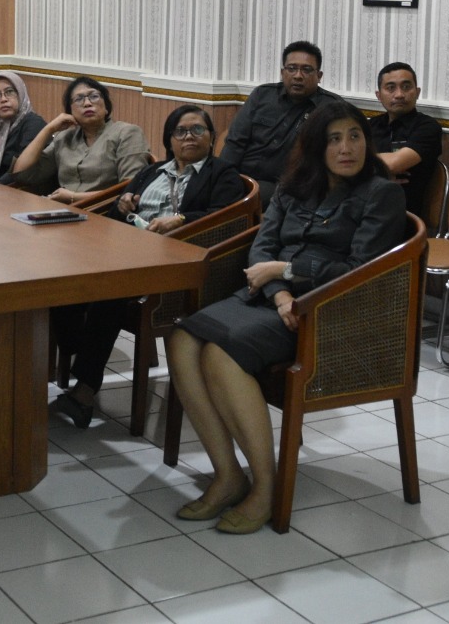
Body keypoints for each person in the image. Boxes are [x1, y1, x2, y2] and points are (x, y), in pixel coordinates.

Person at [169, 100, 405, 532]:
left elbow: (360, 270)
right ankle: (227, 476)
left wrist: (287, 273)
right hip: (274, 301)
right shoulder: (296, 186)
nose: (346, 148)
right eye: (334, 139)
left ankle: (266, 485)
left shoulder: (381, 193)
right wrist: (278, 290)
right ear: (317, 147)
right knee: (183, 340)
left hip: (325, 311)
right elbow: (262, 247)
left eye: (354, 136)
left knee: (221, 355)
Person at [50, 104, 245, 427]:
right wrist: (122, 203)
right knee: (62, 273)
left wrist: (180, 220)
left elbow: (225, 215)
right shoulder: (153, 171)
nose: (190, 137)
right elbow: (120, 212)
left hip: (175, 263)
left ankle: (84, 391)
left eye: (198, 130)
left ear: (211, 138)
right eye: (181, 131)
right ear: (170, 140)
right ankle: (78, 352)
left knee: (111, 292)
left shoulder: (221, 173)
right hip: (127, 251)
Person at [220, 40, 340, 204]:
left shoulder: (331, 108)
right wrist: (224, 179)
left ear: (319, 76)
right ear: (283, 72)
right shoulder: (262, 96)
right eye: (292, 68)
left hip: (289, 189)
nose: (298, 75)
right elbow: (235, 142)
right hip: (242, 179)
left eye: (306, 70)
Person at [9, 75, 149, 203]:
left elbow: (130, 190)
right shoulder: (63, 138)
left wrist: (73, 197)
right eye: (79, 99)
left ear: (106, 107)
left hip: (103, 214)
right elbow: (21, 173)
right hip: (62, 212)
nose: (87, 103)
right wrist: (49, 129)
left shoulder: (127, 133)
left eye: (94, 96)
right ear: (70, 111)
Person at [369, 62, 443, 216]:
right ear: (378, 95)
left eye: (406, 87)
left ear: (417, 92)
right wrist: (374, 175)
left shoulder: (427, 127)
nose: (399, 95)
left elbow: (394, 164)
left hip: (402, 215)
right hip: (362, 204)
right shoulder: (370, 125)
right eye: (390, 88)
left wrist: (359, 167)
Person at [0, 71, 44, 183]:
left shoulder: (33, 124)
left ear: (20, 94)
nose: (3, 99)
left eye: (9, 92)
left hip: (12, 192)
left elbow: (20, 173)